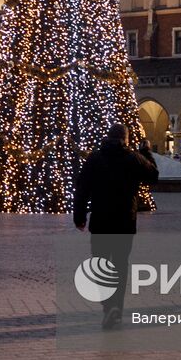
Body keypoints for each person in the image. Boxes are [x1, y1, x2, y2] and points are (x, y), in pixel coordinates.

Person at [72, 123, 160, 329]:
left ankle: (107, 305)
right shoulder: (132, 158)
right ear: (126, 139)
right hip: (124, 222)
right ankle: (117, 309)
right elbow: (153, 175)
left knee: (100, 265)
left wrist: (79, 217)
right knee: (120, 266)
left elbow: (82, 188)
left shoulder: (95, 158)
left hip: (101, 221)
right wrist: (146, 151)